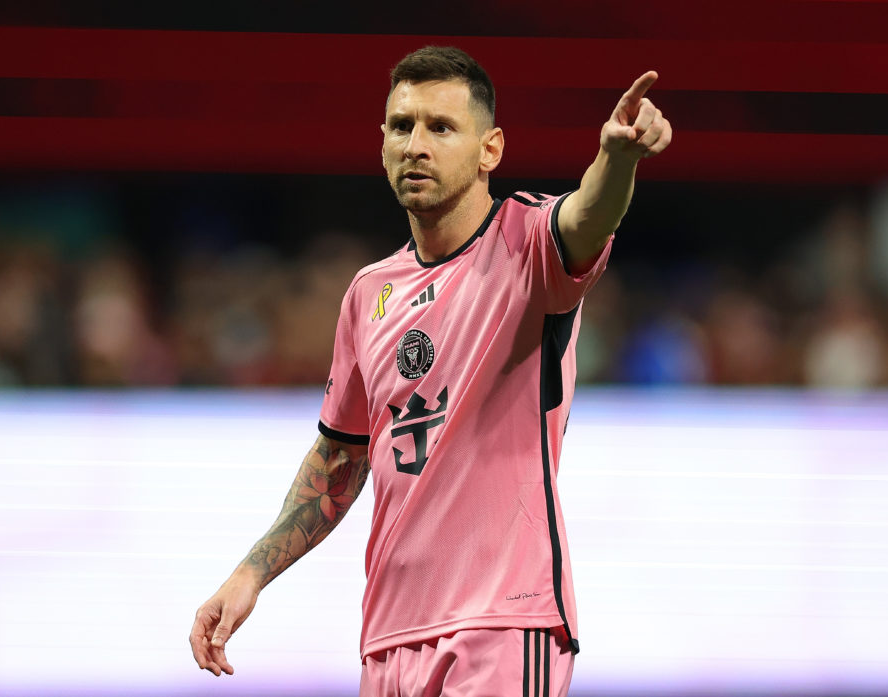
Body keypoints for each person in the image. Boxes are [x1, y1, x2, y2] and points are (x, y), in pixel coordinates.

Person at [189, 45, 671, 696]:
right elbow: (339, 461)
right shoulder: (368, 293)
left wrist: (617, 158)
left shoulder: (527, 243)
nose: (416, 144)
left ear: (489, 149)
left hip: (501, 625)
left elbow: (589, 215)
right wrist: (248, 574)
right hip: (388, 642)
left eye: (440, 127)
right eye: (401, 125)